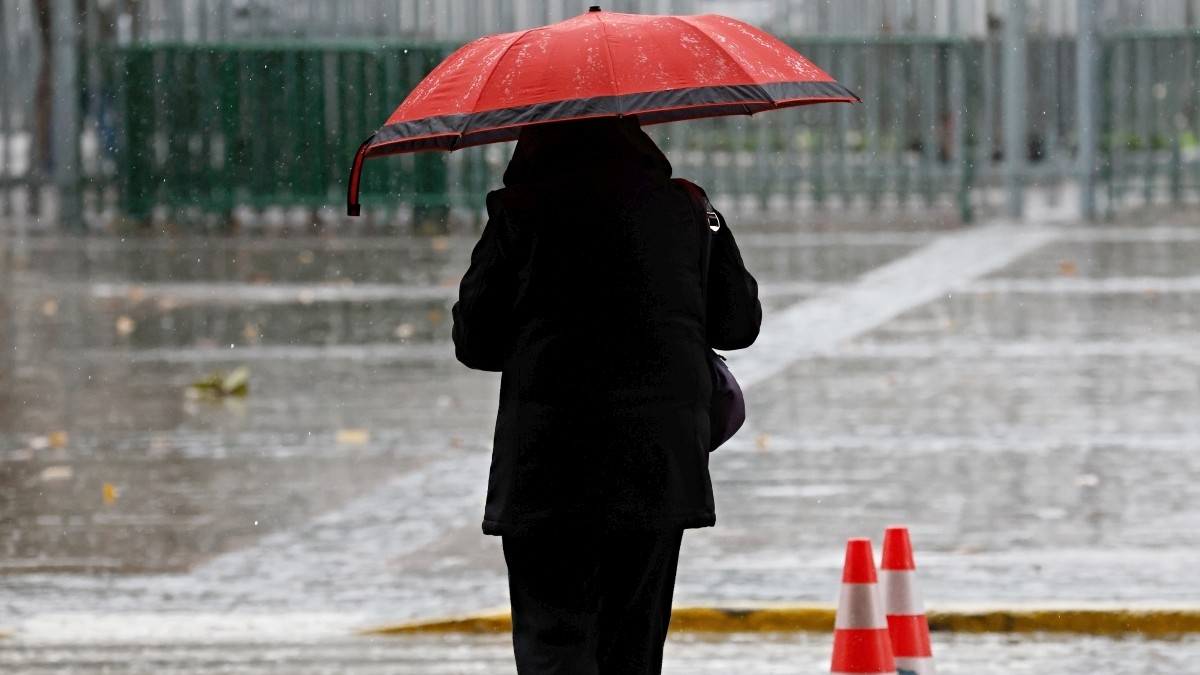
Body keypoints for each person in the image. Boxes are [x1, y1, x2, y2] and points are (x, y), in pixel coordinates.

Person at [451, 116, 761, 675]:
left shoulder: (520, 211)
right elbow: (737, 324)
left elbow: (474, 341)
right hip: (655, 467)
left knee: (555, 650)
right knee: (632, 653)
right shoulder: (687, 208)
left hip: (549, 472)